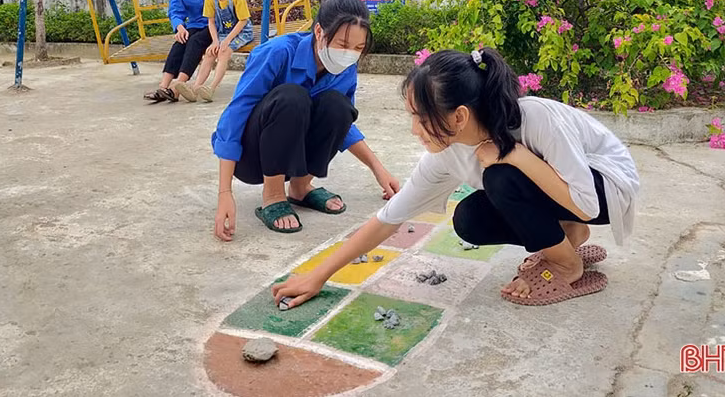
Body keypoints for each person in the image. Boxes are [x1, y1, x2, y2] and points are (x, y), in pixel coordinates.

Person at [272, 48, 640, 307]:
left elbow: (588, 203)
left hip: (607, 186)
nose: (415, 129)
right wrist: (319, 275)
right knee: (469, 219)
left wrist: (515, 154)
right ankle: (569, 235)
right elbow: (388, 219)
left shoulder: (534, 119)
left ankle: (566, 264)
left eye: (421, 117)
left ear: (459, 116)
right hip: (569, 199)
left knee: (501, 177)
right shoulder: (446, 155)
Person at [211, 0, 401, 239]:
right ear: (319, 31)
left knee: (339, 105)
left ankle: (300, 187)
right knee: (292, 97)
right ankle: (273, 195)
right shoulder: (278, 52)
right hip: (252, 158)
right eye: (343, 44)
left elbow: (342, 125)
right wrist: (225, 193)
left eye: (358, 48)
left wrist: (378, 169)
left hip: (294, 158)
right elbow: (235, 116)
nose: (348, 55)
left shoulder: (344, 70)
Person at [143, 0, 251, 103]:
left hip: (215, 25)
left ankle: (177, 87)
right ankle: (163, 86)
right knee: (181, 41)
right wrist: (179, 27)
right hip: (195, 24)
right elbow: (175, 11)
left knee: (195, 41)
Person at [176, 0, 254, 103]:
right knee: (210, 52)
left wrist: (226, 41)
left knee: (223, 52)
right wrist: (215, 41)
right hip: (223, 31)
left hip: (241, 32)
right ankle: (195, 88)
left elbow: (243, 21)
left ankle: (211, 88)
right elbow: (211, 22)